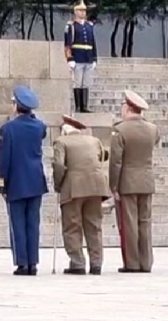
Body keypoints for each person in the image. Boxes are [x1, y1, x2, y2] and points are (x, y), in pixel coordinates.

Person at [0, 85, 48, 276]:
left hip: (16, 181)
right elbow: (40, 131)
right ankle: (33, 262)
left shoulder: (8, 129)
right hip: (35, 180)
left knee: (17, 223)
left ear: (16, 105)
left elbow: (4, 159)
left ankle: (22, 262)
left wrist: (0, 183)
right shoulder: (40, 127)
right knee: (33, 223)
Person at [52, 114, 111, 275]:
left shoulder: (61, 142)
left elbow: (58, 165)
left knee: (72, 225)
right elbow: (103, 156)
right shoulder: (93, 140)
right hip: (96, 187)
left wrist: (58, 185)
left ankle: (77, 262)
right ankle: (96, 262)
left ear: (64, 130)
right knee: (94, 226)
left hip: (73, 188)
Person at [109, 90, 159, 273]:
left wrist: (113, 185)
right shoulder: (152, 128)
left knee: (129, 223)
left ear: (128, 107)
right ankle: (146, 262)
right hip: (146, 180)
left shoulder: (120, 130)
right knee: (144, 222)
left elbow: (116, 161)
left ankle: (132, 262)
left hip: (127, 182)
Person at [64, 0, 97, 113]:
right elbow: (68, 44)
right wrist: (70, 58)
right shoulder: (72, 26)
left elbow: (93, 42)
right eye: (81, 10)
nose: (83, 13)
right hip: (77, 57)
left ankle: (85, 106)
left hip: (88, 57)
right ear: (75, 12)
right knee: (78, 82)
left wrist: (94, 58)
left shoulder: (89, 26)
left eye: (84, 11)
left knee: (86, 83)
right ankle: (78, 106)